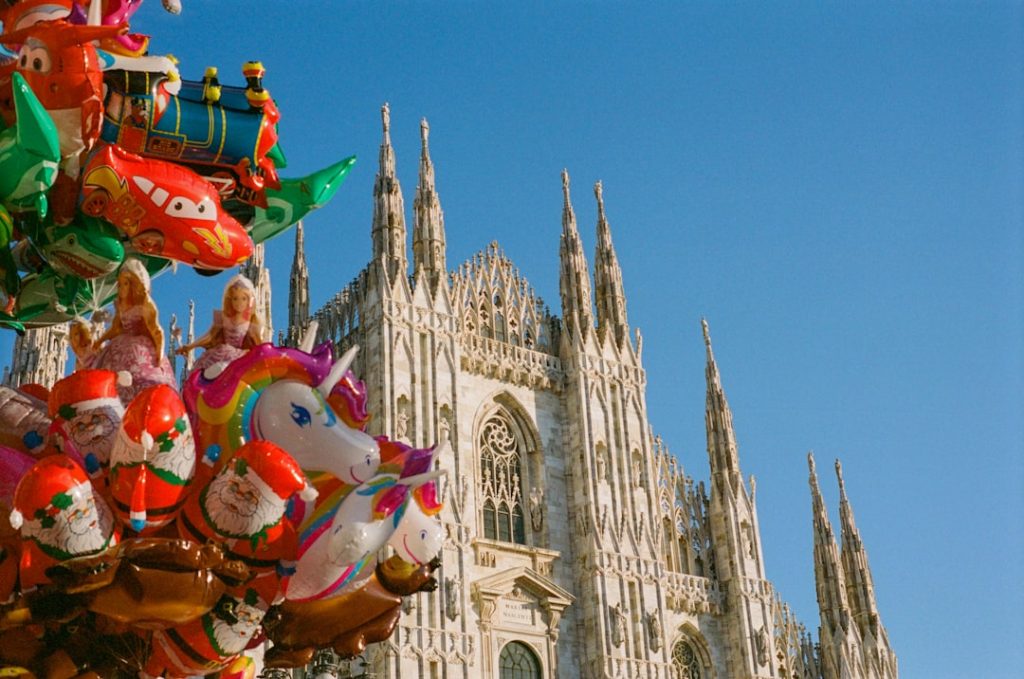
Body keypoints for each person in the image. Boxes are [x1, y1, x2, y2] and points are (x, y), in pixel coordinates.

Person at [92, 258, 176, 403]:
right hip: (117, 350)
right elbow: (116, 328)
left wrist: (159, 358)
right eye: (119, 284)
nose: (120, 288)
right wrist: (100, 340)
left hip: (141, 351)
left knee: (143, 384)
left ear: (134, 284)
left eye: (125, 283)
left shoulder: (145, 305)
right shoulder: (120, 304)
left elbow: (157, 332)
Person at [177, 274, 265, 375]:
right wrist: (190, 346)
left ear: (249, 301)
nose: (239, 303)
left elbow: (261, 347)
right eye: (235, 298)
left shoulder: (252, 323)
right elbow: (210, 336)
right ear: (230, 300)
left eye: (243, 299)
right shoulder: (221, 317)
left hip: (240, 357)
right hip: (219, 354)